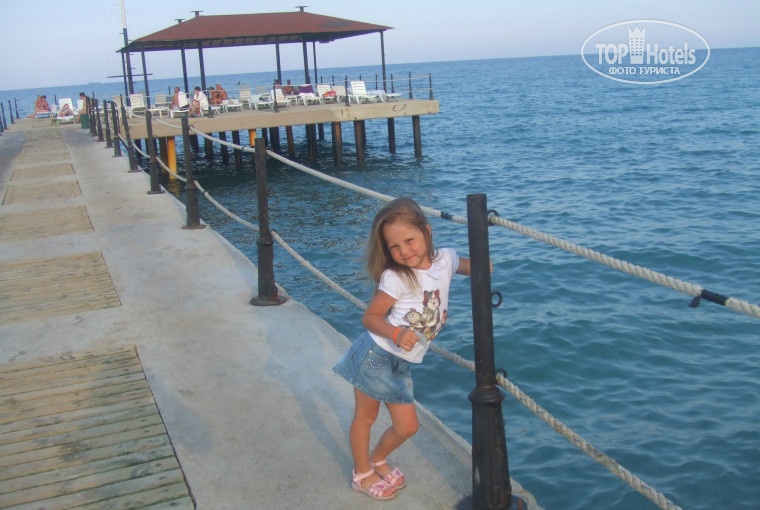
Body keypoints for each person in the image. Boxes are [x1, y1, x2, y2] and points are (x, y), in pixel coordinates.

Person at [333, 197, 481, 501]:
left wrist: (487, 242)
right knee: (365, 417)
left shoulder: (446, 259)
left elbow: (480, 267)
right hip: (376, 356)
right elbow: (370, 317)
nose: (404, 251)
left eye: (409, 240)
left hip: (399, 363)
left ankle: (377, 459)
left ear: (426, 231)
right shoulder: (396, 277)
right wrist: (397, 333)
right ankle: (362, 474)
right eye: (394, 247)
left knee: (408, 427)